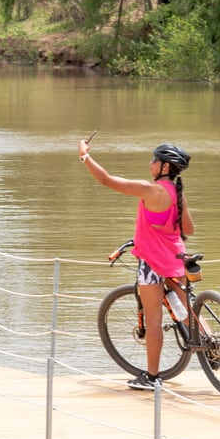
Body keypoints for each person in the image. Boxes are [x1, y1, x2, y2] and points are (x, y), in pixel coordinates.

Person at [77, 137, 193, 390]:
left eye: (154, 160)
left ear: (164, 167)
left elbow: (106, 180)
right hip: (176, 260)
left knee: (153, 320)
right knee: (185, 310)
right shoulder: (178, 194)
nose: (150, 163)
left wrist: (85, 156)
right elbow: (188, 229)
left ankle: (152, 377)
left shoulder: (150, 189)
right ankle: (212, 345)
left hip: (152, 263)